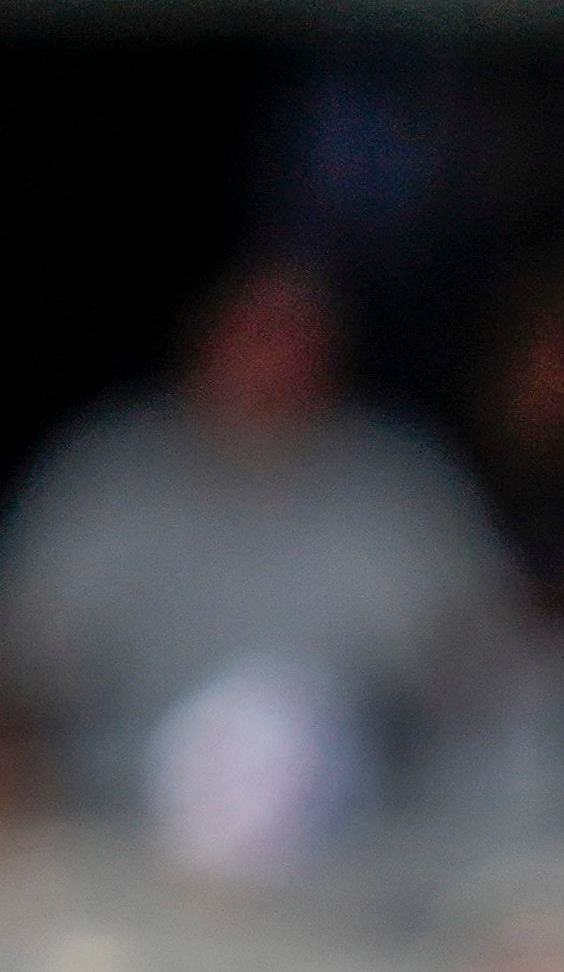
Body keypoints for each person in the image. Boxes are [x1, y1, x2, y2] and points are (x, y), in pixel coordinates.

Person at [0, 255, 520, 825]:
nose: (275, 355)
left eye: (299, 333)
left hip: (358, 838)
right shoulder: (106, 476)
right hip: (123, 823)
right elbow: (22, 667)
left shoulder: (399, 486)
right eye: (256, 329)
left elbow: (482, 674)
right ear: (204, 338)